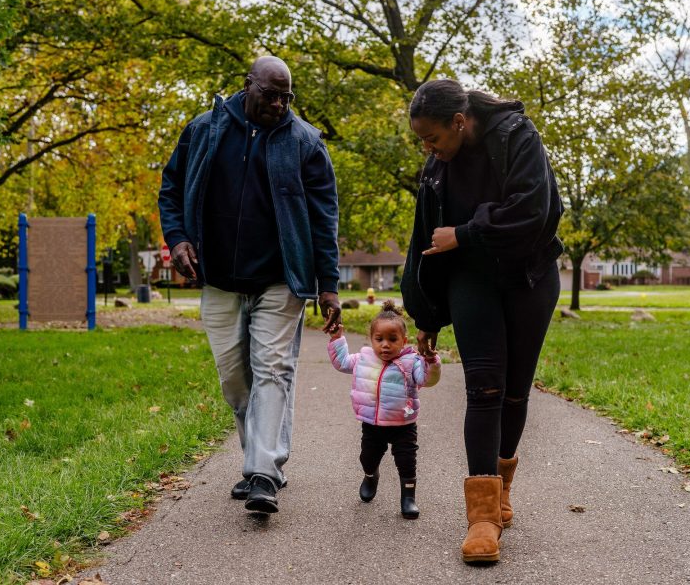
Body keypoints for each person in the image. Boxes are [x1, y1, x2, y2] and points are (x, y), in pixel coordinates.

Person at [158, 56, 341, 514]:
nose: (279, 104)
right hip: (217, 277)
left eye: (287, 97)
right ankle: (260, 460)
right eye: (270, 94)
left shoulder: (305, 144)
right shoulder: (204, 129)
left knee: (273, 368)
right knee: (235, 379)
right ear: (248, 86)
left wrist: (329, 284)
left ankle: (262, 473)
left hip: (282, 277)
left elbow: (324, 218)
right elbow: (172, 187)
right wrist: (178, 239)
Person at [401, 79, 563, 562]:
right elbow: (424, 244)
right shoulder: (437, 169)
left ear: (459, 121)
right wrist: (427, 314)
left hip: (528, 277)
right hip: (472, 281)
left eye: (432, 137)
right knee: (485, 387)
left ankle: (501, 488)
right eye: (420, 141)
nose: (427, 148)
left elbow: (535, 211)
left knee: (516, 389)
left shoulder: (516, 135)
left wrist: (467, 232)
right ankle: (483, 517)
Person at [327, 301, 441, 519]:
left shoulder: (412, 361)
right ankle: (371, 475)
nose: (385, 345)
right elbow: (341, 362)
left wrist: (430, 360)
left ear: (404, 341)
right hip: (372, 424)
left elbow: (427, 380)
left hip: (403, 425)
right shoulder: (363, 359)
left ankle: (408, 498)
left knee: (407, 462)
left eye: (392, 339)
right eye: (379, 339)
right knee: (367, 458)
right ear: (371, 340)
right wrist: (336, 339)